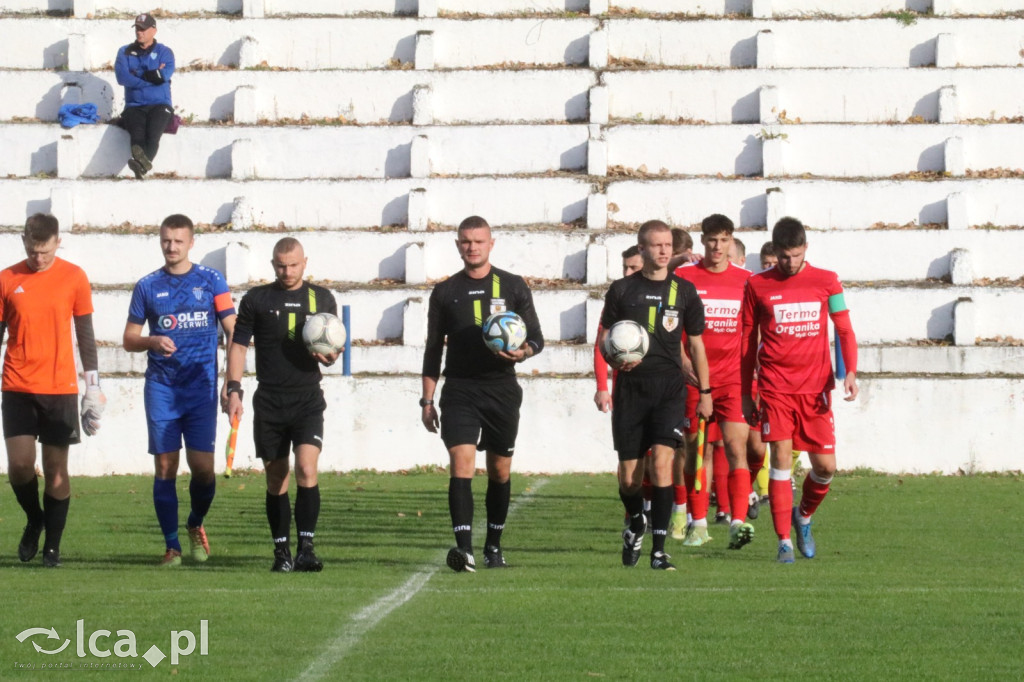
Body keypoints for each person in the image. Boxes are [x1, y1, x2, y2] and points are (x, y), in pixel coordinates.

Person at [421, 216, 543, 572]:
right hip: (459, 388)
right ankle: (465, 551)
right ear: (457, 245)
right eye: (465, 241)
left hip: (502, 389)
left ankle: (493, 545)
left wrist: (523, 353)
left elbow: (536, 336)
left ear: (491, 243)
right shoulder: (444, 292)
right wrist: (427, 400)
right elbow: (432, 349)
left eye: (478, 241)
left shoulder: (513, 286)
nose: (471, 247)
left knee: (500, 471)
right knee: (461, 464)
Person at [741, 217, 859, 563]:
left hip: (816, 390)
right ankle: (783, 543)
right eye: (784, 256)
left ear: (806, 248)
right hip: (775, 388)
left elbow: (845, 329)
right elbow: (747, 341)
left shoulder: (827, 281)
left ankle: (803, 517)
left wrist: (849, 371)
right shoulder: (757, 285)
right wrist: (748, 393)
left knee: (825, 467)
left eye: (795, 255)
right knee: (779, 460)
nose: (790, 262)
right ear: (774, 251)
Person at [123, 214, 236, 567]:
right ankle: (172, 546)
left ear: (191, 242)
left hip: (202, 387)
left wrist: (232, 384)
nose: (171, 247)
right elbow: (128, 339)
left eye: (178, 241)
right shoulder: (147, 285)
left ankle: (194, 523)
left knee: (203, 469)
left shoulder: (211, 280)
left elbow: (234, 331)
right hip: (162, 388)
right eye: (166, 240)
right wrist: (151, 340)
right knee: (165, 466)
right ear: (160, 241)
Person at [600, 220, 712, 570]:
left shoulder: (684, 291)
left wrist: (705, 391)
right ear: (642, 249)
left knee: (663, 465)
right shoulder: (621, 291)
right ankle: (636, 521)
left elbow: (696, 344)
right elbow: (604, 340)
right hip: (631, 390)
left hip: (669, 390)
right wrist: (613, 360)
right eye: (656, 245)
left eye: (667, 245)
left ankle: (660, 550)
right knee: (630, 478)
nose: (664, 251)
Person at [226, 238, 339, 572]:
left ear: (305, 262)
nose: (286, 271)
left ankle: (307, 549)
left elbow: (334, 346)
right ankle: (281, 553)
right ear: (272, 264)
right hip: (270, 402)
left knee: (306, 468)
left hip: (307, 399)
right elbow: (239, 346)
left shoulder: (322, 298)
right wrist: (233, 389)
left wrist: (330, 357)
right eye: (280, 265)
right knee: (276, 479)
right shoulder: (257, 299)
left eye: (292, 265)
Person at [0, 213, 105, 568]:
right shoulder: (7, 279)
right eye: (32, 251)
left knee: (57, 469)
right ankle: (35, 517)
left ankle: (52, 549)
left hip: (60, 388)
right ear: (24, 242)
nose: (39, 258)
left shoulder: (74, 277)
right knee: (19, 465)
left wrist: (93, 387)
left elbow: (86, 335)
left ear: (58, 242)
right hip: (16, 385)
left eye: (44, 251)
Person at [675, 214, 757, 550]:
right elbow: (672, 325)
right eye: (711, 240)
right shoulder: (684, 277)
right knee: (698, 452)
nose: (717, 246)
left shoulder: (747, 280)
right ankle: (698, 524)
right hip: (696, 379)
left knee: (737, 447)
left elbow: (754, 329)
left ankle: (738, 523)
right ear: (703, 240)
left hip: (733, 380)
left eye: (724, 240)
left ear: (731, 242)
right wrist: (682, 363)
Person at [114, 13, 175, 180]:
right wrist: (150, 78)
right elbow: (122, 78)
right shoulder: (124, 52)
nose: (139, 32)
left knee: (153, 134)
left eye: (143, 29)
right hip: (135, 105)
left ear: (153, 30)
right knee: (137, 134)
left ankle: (140, 165)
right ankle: (141, 166)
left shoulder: (165, 52)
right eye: (137, 29)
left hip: (160, 104)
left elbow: (164, 75)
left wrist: (137, 75)